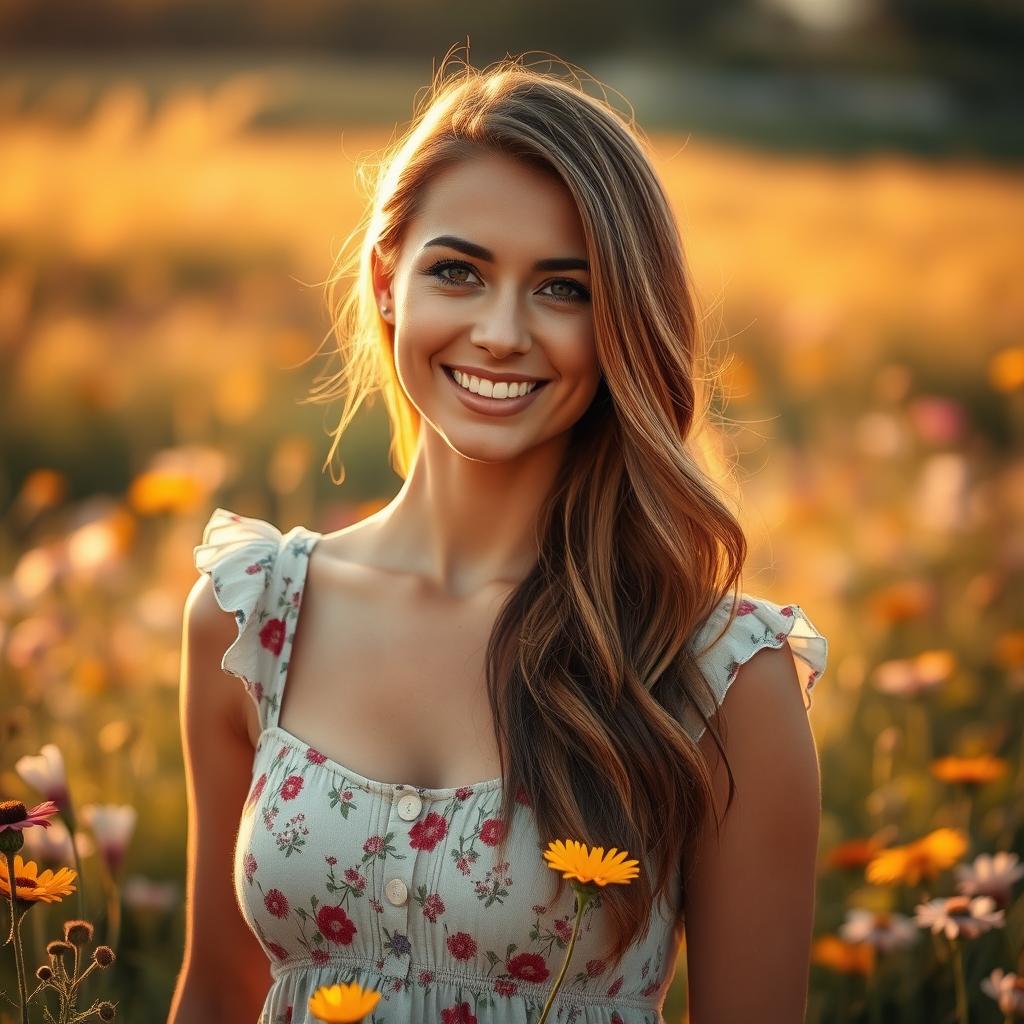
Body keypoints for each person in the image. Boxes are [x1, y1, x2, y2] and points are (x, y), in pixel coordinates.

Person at [168, 51, 829, 1024]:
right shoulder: (255, 614)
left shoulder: (718, 674)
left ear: (622, 322)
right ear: (389, 282)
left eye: (563, 288)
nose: (501, 332)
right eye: (458, 272)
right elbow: (219, 991)